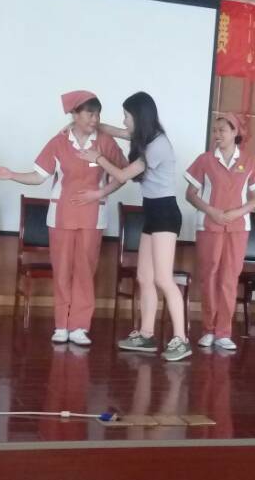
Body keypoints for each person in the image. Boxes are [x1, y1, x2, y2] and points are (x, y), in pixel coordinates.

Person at [0, 91, 127, 345]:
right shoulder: (58, 143)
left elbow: (122, 174)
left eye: (97, 114)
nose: (94, 119)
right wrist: (12, 175)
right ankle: (61, 324)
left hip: (93, 216)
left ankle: (80, 326)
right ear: (74, 114)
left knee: (85, 271)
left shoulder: (105, 142)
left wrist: (101, 192)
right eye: (89, 114)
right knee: (62, 270)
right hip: (61, 215)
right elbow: (38, 176)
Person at [77, 91, 191, 361]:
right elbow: (115, 131)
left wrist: (97, 157)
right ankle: (146, 334)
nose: (124, 121)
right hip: (152, 212)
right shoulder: (144, 137)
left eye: (127, 116)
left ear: (139, 117)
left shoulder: (157, 145)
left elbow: (122, 174)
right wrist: (86, 124)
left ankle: (181, 339)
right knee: (144, 277)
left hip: (165, 214)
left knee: (163, 279)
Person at [184, 112, 255, 351]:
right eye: (215, 130)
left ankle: (223, 332)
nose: (217, 134)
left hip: (238, 228)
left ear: (235, 132)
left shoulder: (250, 161)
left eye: (222, 130)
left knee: (229, 278)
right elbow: (190, 194)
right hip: (209, 225)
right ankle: (208, 329)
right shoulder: (205, 160)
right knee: (209, 276)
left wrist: (237, 213)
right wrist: (210, 210)